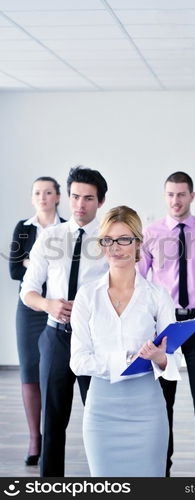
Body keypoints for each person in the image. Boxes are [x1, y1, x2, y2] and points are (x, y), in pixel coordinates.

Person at [70, 205, 182, 477]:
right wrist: (127, 360)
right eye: (108, 240)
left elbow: (174, 359)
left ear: (138, 243)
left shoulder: (157, 296)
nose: (115, 247)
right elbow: (78, 361)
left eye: (123, 239)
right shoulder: (87, 296)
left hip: (148, 411)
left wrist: (159, 357)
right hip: (101, 413)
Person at [20, 166, 108, 477]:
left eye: (88, 198)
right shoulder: (50, 238)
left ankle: (106, 478)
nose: (80, 204)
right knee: (53, 421)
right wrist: (48, 304)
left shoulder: (109, 242)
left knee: (97, 417)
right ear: (67, 198)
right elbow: (27, 291)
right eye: (74, 197)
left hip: (93, 341)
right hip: (55, 337)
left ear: (100, 202)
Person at [138, 171, 195, 477]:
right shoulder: (150, 233)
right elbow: (140, 281)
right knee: (164, 400)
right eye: (170, 195)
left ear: (192, 196)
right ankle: (162, 466)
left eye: (181, 194)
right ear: (165, 197)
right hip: (166, 324)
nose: (176, 200)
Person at [9, 176, 65, 466]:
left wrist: (34, 262)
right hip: (29, 309)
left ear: (57, 196)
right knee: (30, 371)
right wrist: (37, 262)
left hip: (58, 308)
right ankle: (35, 438)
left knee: (53, 373)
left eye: (48, 192)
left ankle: (53, 434)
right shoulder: (24, 228)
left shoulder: (67, 228)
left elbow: (68, 269)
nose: (42, 197)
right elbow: (14, 270)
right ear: (32, 198)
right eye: (37, 193)